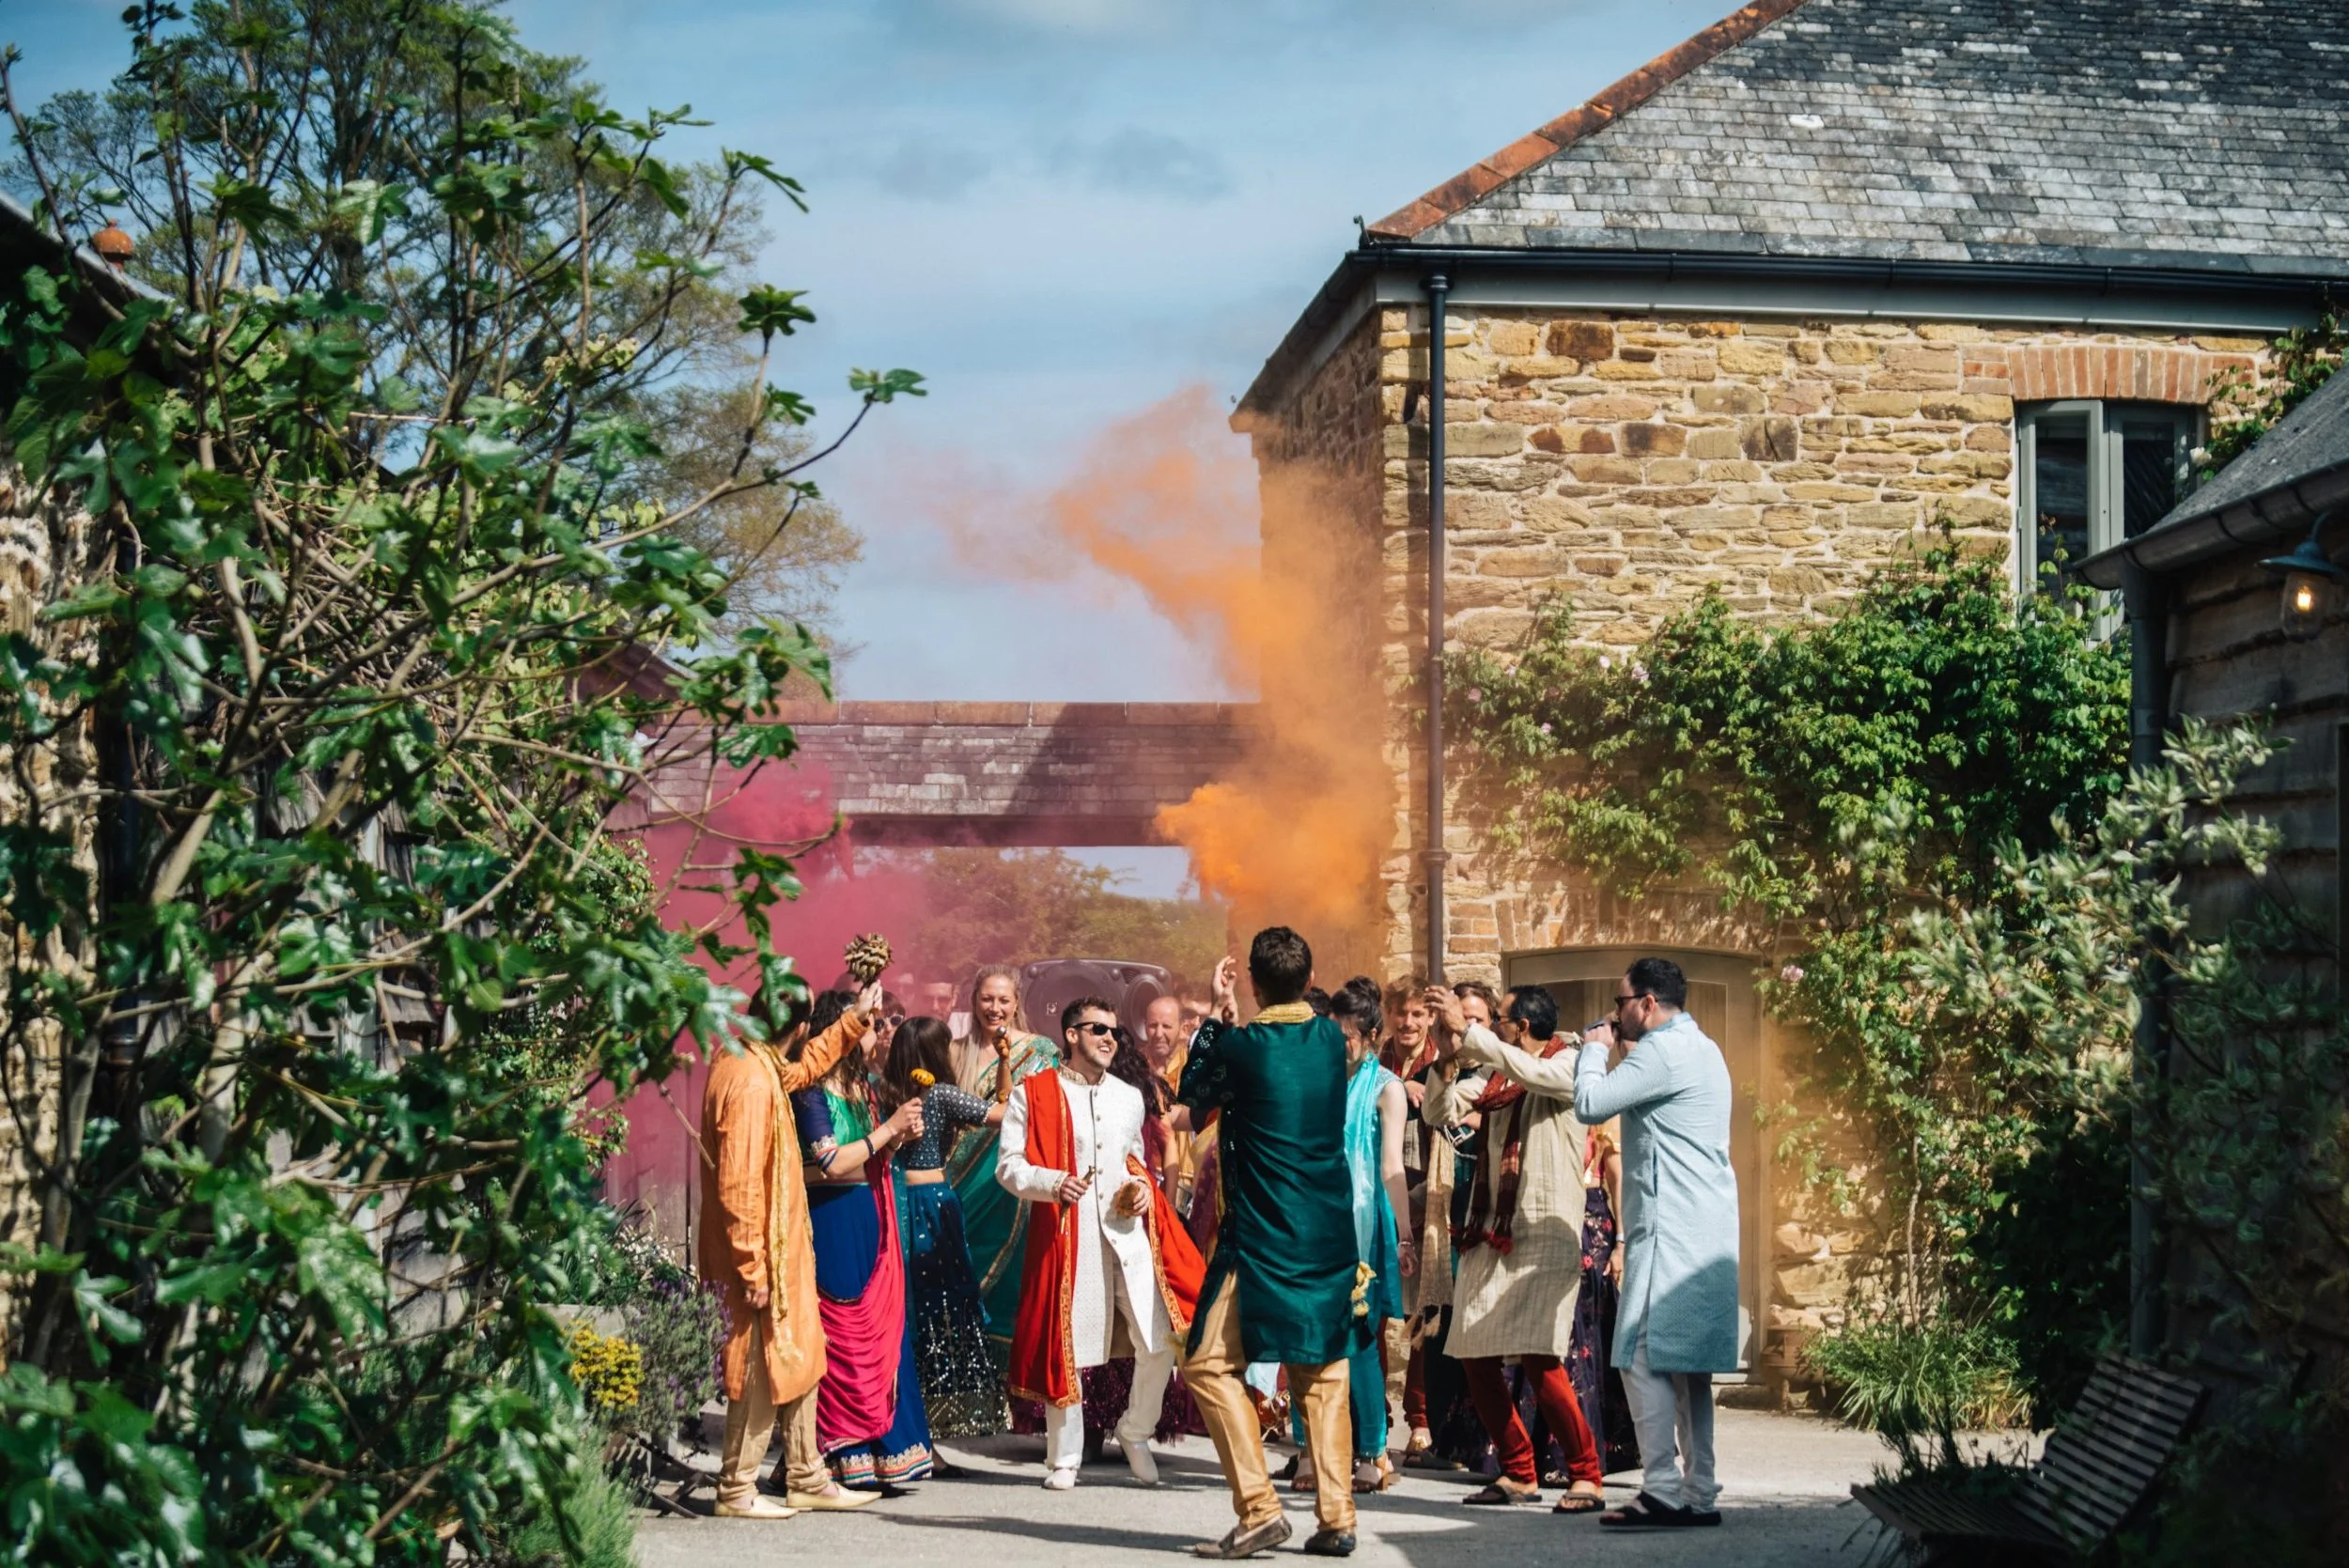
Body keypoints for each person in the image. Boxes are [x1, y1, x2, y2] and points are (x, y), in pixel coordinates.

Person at [1177, 931, 1366, 1560]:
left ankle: (1259, 1508)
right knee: (1323, 1369)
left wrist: (1213, 1011)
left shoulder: (1242, 1045)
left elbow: (1195, 1088)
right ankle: (1337, 1517)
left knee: (1206, 1363)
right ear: (1310, 975)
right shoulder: (1331, 1041)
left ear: (1254, 982)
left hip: (1263, 1234)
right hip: (1329, 1231)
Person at [697, 978, 891, 1519]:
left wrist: (855, 1018)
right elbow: (738, 1186)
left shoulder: (752, 1062)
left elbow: (805, 1069)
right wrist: (752, 1268)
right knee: (759, 1368)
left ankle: (808, 1475)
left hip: (781, 1251)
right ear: (799, 1025)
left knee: (802, 1353)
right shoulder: (752, 1083)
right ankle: (737, 1489)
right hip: (760, 1257)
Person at [999, 997, 1204, 1490]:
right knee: (1067, 1345)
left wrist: (1139, 1191)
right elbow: (1008, 1167)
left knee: (1160, 1341)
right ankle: (1064, 1458)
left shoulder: (1128, 1097)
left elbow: (1136, 1164)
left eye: (1114, 1031)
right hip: (1070, 1241)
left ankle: (1135, 1430)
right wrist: (1052, 1183)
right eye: (1098, 1030)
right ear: (1071, 1035)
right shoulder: (1034, 1093)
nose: (1110, 1038)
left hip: (1129, 1239)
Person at [1573, 957, 1738, 1529]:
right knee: (1688, 1368)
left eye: (1619, 1005)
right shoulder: (1704, 1048)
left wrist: (1594, 1049)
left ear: (1646, 1003)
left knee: (1638, 1355)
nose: (1614, 1016)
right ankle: (1699, 1491)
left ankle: (1663, 1488)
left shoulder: (1660, 1052)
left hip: (1669, 1229)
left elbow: (1590, 1106)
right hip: (1705, 1224)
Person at [1436, 985, 1608, 1514]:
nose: (1494, 1027)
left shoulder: (1571, 1064)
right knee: (1472, 1352)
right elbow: (1436, 1113)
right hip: (1490, 1229)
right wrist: (1446, 1059)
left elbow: (1530, 1072)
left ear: (1524, 1026)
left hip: (1542, 1235)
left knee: (1540, 1359)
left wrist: (1471, 1036)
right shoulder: (1495, 1074)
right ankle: (1518, 1472)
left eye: (1500, 1020)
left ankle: (1587, 1475)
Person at [795, 990, 935, 1489]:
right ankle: (842, 1453)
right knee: (842, 1336)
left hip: (870, 1217)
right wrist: (886, 1132)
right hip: (832, 1220)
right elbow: (830, 1163)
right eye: (872, 1025)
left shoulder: (865, 1089)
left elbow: (871, 1154)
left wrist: (898, 1136)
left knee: (883, 1332)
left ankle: (885, 1451)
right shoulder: (811, 1092)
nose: (880, 1035)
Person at [1289, 978, 1412, 1498]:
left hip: (1360, 1225)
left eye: (1348, 1036)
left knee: (1359, 1341)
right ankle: (1310, 1448)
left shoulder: (1386, 1086)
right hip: (1308, 1222)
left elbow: (1390, 1166)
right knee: (1304, 1337)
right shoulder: (1312, 1079)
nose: (1338, 1044)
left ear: (1371, 1034)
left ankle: (1374, 1451)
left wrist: (1404, 1235)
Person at [882, 1017, 1009, 1442]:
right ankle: (931, 1428)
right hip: (933, 1206)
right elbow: (1003, 1114)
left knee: (905, 1311)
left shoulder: (881, 1094)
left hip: (892, 1204)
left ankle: (900, 1419)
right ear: (939, 1054)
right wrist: (1010, 1067)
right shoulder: (939, 1094)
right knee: (938, 1313)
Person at [943, 965, 1058, 1355]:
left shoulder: (1039, 1051)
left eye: (1003, 1000)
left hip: (1009, 1187)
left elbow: (1048, 1115)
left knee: (1010, 1273)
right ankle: (955, 1362)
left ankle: (1005, 1366)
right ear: (974, 1001)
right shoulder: (955, 1050)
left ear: (1016, 1003)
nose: (995, 1008)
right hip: (959, 1183)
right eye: (987, 999)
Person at [1570, 1115, 1640, 1476]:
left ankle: (1598, 1449)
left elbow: (1618, 1180)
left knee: (1590, 1334)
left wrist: (1621, 1245)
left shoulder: (1602, 1113)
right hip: (1557, 1221)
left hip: (1592, 1225)